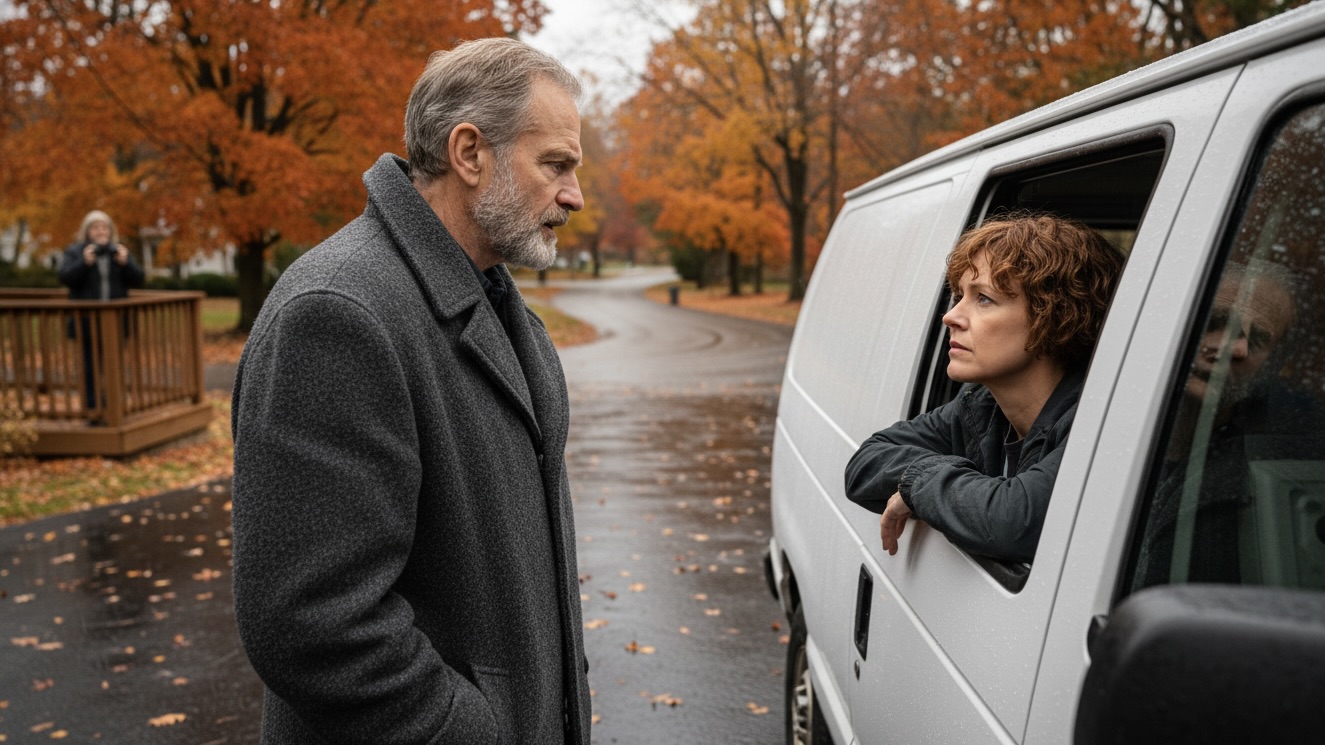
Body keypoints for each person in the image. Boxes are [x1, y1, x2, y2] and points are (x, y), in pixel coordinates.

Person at [230, 39, 590, 744]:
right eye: (556, 164)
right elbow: (313, 623)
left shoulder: (504, 314)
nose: (575, 194)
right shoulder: (338, 312)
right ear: (469, 152)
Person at [844, 215, 1125, 563]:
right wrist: (935, 481)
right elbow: (865, 464)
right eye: (960, 295)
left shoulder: (1099, 422)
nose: (951, 316)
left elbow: (1013, 521)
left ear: (1056, 316)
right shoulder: (981, 407)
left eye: (984, 299)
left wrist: (919, 483)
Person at [57, 210, 144, 415]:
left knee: (114, 366)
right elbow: (65, 277)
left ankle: (115, 406)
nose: (100, 231)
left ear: (110, 231)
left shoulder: (119, 252)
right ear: (87, 231)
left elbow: (139, 278)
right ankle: (93, 409)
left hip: (115, 321)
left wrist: (126, 264)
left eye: (104, 227)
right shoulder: (75, 251)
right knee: (90, 367)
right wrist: (84, 264)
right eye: (96, 227)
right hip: (86, 322)